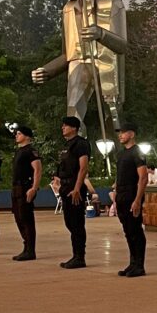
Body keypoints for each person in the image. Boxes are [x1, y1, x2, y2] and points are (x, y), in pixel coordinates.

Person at [55, 115, 95, 269]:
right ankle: (75, 254)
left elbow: (83, 167)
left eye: (65, 125)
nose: (62, 128)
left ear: (73, 128)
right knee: (69, 221)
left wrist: (77, 188)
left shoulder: (81, 144)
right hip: (65, 187)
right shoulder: (66, 145)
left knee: (77, 223)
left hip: (74, 186)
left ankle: (79, 257)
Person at [113, 123, 148, 276]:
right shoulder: (121, 154)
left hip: (131, 195)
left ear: (132, 134)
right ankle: (132, 262)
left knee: (135, 230)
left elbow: (143, 177)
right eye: (119, 133)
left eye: (124, 132)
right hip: (121, 196)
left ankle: (139, 265)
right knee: (127, 230)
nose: (120, 135)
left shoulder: (137, 152)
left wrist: (138, 200)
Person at [9, 124, 42, 261]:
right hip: (16, 187)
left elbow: (38, 169)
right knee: (18, 218)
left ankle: (30, 250)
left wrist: (34, 188)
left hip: (25, 187)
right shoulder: (19, 151)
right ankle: (25, 246)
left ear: (27, 136)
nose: (17, 136)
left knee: (26, 218)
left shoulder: (31, 151)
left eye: (19, 133)